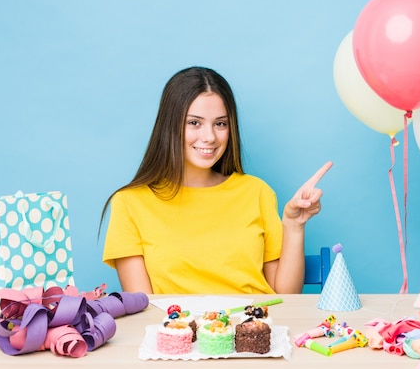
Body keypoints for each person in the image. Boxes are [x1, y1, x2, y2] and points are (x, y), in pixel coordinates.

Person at [101, 66, 332, 295]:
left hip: (256, 328)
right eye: (194, 123)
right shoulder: (129, 203)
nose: (209, 137)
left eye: (220, 123)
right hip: (180, 330)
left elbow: (286, 296)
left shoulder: (257, 192)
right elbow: (145, 308)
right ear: (169, 126)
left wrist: (293, 226)